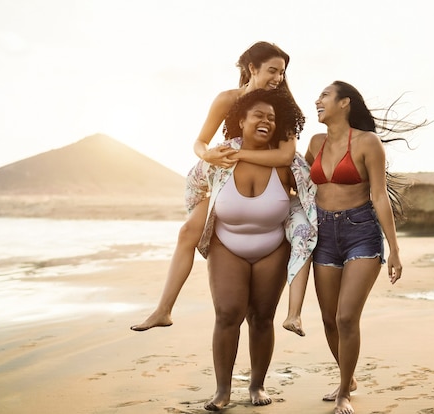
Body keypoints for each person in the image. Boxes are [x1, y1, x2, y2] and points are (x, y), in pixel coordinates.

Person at [130, 41, 311, 336]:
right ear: (252, 68)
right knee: (188, 231)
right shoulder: (226, 100)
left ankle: (293, 313)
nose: (278, 79)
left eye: (282, 73)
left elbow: (284, 156)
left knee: (300, 238)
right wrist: (208, 155)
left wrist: (237, 154)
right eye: (272, 71)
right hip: (229, 181)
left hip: (272, 184)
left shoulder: (284, 107)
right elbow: (200, 142)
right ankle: (163, 310)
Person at [186, 88, 316, 410]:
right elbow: (194, 185)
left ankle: (257, 386)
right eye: (258, 115)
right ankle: (222, 391)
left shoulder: (286, 163)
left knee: (261, 318)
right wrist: (196, 223)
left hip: (271, 247)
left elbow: (310, 193)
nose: (266, 121)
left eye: (272, 118)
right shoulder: (221, 158)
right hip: (227, 246)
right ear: (241, 120)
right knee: (228, 314)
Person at [305, 81, 426, 414]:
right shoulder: (314, 143)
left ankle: (344, 392)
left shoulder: (367, 142)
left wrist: (395, 250)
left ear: (345, 103)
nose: (318, 100)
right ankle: (350, 378)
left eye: (325, 95)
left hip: (361, 232)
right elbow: (297, 187)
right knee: (329, 319)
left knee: (346, 317)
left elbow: (378, 195)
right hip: (323, 234)